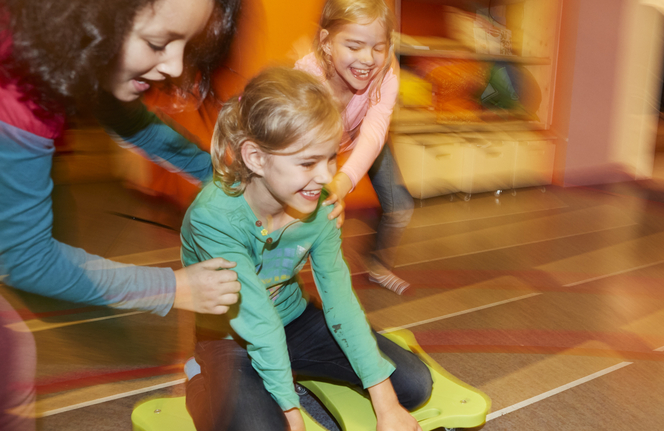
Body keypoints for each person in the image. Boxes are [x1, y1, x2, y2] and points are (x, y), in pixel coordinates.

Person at [0, 0, 241, 429]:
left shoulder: (74, 51)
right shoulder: (17, 91)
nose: (174, 66)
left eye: (185, 45)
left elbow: (138, 125)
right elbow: (26, 259)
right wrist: (173, 288)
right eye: (158, 42)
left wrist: (228, 179)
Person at [182, 68, 432, 431]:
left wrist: (387, 404)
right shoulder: (213, 217)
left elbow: (340, 301)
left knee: (412, 385)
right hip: (230, 337)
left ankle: (282, 368)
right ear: (255, 158)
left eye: (331, 157)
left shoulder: (320, 205)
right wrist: (292, 414)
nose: (326, 176)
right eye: (307, 162)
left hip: (293, 321)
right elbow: (256, 320)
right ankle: (199, 378)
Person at [295, 0, 414, 295]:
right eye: (354, 46)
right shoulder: (308, 79)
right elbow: (298, 148)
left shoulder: (385, 75)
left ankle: (377, 265)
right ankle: (279, 280)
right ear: (326, 42)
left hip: (365, 137)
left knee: (400, 208)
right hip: (319, 143)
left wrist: (345, 180)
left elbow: (374, 133)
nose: (367, 59)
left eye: (378, 47)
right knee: (309, 214)